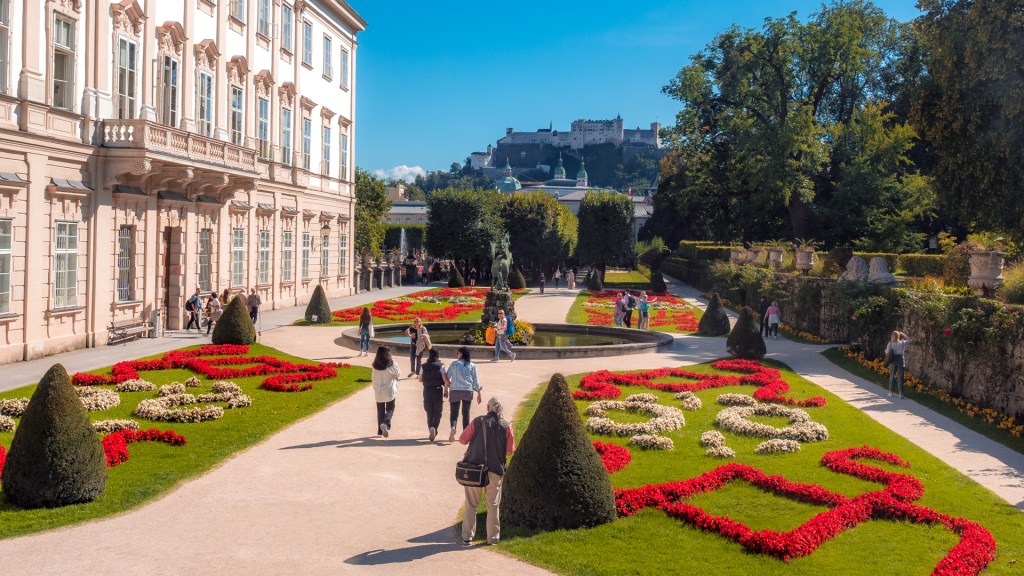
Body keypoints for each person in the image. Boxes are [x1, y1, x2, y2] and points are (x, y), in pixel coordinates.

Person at [459, 396, 515, 546]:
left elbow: (462, 439)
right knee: (493, 505)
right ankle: (493, 538)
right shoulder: (506, 426)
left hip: (474, 470)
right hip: (495, 470)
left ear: (488, 408)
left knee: (471, 504)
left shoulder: (477, 422)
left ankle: (467, 537)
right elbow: (509, 451)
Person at [446, 346, 482, 442]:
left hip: (455, 390)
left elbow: (447, 376)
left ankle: (453, 427)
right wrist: (479, 392)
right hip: (467, 390)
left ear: (461, 353)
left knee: (454, 412)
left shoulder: (454, 364)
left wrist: (447, 387)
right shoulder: (472, 365)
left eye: (457, 353)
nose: (457, 355)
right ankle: (466, 435)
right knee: (466, 413)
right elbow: (476, 380)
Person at [418, 349, 450, 441]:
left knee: (429, 411)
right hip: (437, 389)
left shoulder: (423, 366)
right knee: (438, 412)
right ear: (437, 356)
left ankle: (431, 429)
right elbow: (445, 379)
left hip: (427, 390)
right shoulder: (441, 366)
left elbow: (420, 379)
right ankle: (434, 427)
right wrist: (448, 386)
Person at [885, 331, 913, 399]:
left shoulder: (890, 343)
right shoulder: (902, 342)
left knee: (892, 376)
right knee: (900, 377)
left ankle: (890, 392)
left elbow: (886, 353)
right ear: (899, 336)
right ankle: (901, 394)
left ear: (892, 336)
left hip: (893, 360)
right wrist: (903, 334)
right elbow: (910, 341)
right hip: (900, 360)